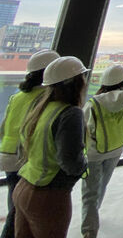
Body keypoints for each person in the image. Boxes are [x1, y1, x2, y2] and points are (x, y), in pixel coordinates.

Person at [12, 56, 89, 238]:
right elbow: (69, 161)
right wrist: (84, 167)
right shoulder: (70, 114)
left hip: (24, 185)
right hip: (48, 195)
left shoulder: (42, 107)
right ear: (76, 83)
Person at [0, 49, 59, 238]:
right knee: (19, 210)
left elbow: (4, 126)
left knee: (15, 201)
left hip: (8, 154)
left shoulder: (18, 96)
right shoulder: (47, 98)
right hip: (25, 158)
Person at [81, 64, 123, 238]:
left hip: (94, 153)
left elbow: (84, 130)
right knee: (102, 184)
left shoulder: (93, 103)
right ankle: (94, 213)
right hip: (116, 150)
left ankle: (89, 229)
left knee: (90, 191)